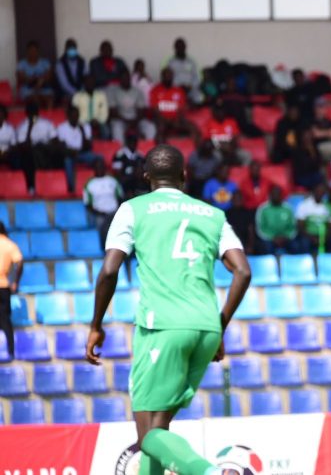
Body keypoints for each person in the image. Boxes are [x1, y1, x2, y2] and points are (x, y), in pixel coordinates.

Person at [86, 144, 250, 475]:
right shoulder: (212, 214)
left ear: (146, 177)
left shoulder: (133, 209)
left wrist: (96, 324)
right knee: (160, 428)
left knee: (147, 435)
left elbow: (108, 270)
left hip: (161, 327)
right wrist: (219, 326)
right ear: (184, 176)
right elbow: (243, 271)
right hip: (205, 327)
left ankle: (209, 472)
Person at [15, 102, 58, 193]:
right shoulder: (22, 126)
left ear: (38, 112)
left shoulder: (47, 123)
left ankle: (52, 185)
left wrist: (45, 146)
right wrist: (30, 128)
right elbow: (23, 146)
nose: (33, 115)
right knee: (29, 155)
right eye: (30, 112)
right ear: (26, 113)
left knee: (48, 151)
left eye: (34, 112)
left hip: (46, 153)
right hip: (31, 155)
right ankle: (32, 186)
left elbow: (55, 140)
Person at [58, 105, 102, 193]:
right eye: (73, 116)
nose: (75, 118)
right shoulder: (62, 128)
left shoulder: (85, 127)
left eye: (77, 115)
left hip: (83, 153)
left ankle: (99, 186)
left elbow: (88, 146)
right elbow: (61, 147)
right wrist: (71, 152)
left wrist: (82, 132)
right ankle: (71, 188)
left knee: (99, 158)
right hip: (70, 154)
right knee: (67, 161)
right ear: (68, 116)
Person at [83, 159, 123, 248]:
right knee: (103, 225)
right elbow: (87, 205)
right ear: (94, 168)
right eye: (98, 166)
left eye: (101, 166)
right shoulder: (89, 184)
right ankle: (105, 249)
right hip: (99, 214)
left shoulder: (112, 181)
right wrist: (100, 213)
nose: (100, 168)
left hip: (114, 212)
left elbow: (120, 197)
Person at [108, 71, 156, 142]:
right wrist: (127, 121)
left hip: (136, 119)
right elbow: (113, 112)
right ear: (120, 79)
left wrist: (134, 122)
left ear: (129, 79)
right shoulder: (114, 91)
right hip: (121, 120)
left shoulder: (137, 91)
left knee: (150, 127)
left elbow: (141, 111)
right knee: (116, 128)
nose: (125, 80)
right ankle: (121, 151)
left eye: (127, 78)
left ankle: (147, 149)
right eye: (123, 78)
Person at [150, 68, 196, 139]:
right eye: (166, 76)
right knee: (161, 128)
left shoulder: (179, 91)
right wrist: (164, 119)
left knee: (192, 127)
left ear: (172, 77)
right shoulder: (155, 90)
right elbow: (155, 109)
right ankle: (161, 149)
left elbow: (182, 108)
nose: (168, 78)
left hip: (176, 119)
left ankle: (190, 149)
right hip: (161, 119)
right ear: (162, 77)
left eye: (170, 76)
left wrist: (176, 118)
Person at [295, 182, 331, 253]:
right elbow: (300, 227)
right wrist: (312, 238)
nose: (320, 193)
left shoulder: (329, 207)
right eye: (318, 191)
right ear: (313, 191)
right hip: (308, 236)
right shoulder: (304, 205)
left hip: (325, 236)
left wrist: (324, 238)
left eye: (322, 192)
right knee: (303, 243)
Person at [0, 222, 23, 359]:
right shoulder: (9, 244)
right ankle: (10, 350)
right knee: (5, 320)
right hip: (3, 286)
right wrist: (16, 281)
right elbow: (20, 261)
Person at [255, 186, 299, 255]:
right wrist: (273, 238)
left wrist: (285, 237)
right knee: (266, 247)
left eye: (278, 194)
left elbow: (293, 227)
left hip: (286, 238)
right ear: (270, 196)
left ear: (281, 196)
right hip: (269, 239)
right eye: (274, 194)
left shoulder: (288, 208)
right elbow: (260, 229)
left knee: (296, 246)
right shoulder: (263, 209)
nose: (276, 196)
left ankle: (293, 265)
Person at [16, 41, 54, 109]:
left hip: (44, 88)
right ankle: (38, 118)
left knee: (50, 100)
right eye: (30, 51)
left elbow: (49, 76)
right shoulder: (22, 64)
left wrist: (41, 81)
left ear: (38, 51)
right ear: (27, 52)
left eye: (35, 51)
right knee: (36, 99)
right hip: (28, 89)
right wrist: (33, 80)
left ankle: (49, 116)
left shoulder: (45, 63)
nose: (33, 53)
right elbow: (21, 78)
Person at [164, 38, 202, 104]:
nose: (180, 48)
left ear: (185, 47)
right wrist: (178, 87)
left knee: (198, 98)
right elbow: (166, 78)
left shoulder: (191, 62)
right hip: (175, 89)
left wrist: (190, 86)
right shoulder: (170, 62)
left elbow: (197, 77)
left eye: (182, 46)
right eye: (178, 46)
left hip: (190, 89)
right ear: (175, 48)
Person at [55, 38, 86, 103]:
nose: (72, 50)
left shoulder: (81, 61)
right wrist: (75, 93)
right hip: (66, 92)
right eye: (70, 48)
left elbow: (86, 77)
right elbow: (64, 84)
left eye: (73, 47)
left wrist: (82, 91)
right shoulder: (60, 63)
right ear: (65, 49)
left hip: (81, 91)